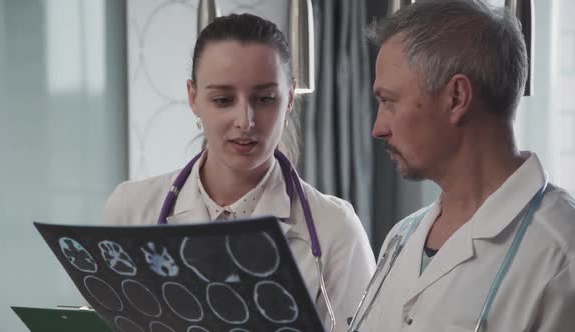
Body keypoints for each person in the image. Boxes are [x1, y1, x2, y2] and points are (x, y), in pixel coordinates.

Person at [101, 13, 375, 332]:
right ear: (193, 98)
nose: (245, 120)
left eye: (265, 99)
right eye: (223, 99)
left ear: (289, 100)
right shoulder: (130, 210)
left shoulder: (335, 230)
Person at [348, 0, 575, 331]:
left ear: (456, 97)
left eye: (389, 102)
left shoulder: (561, 256)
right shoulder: (401, 239)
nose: (377, 128)